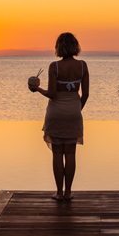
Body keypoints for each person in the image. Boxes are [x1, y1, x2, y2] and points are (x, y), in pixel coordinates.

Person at [29, 32, 89, 200]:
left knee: (57, 153)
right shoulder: (83, 66)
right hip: (74, 113)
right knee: (71, 154)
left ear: (59, 47)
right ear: (75, 46)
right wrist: (76, 109)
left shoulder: (54, 67)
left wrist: (38, 89)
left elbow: (53, 94)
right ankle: (68, 193)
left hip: (55, 113)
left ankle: (59, 192)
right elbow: (86, 94)